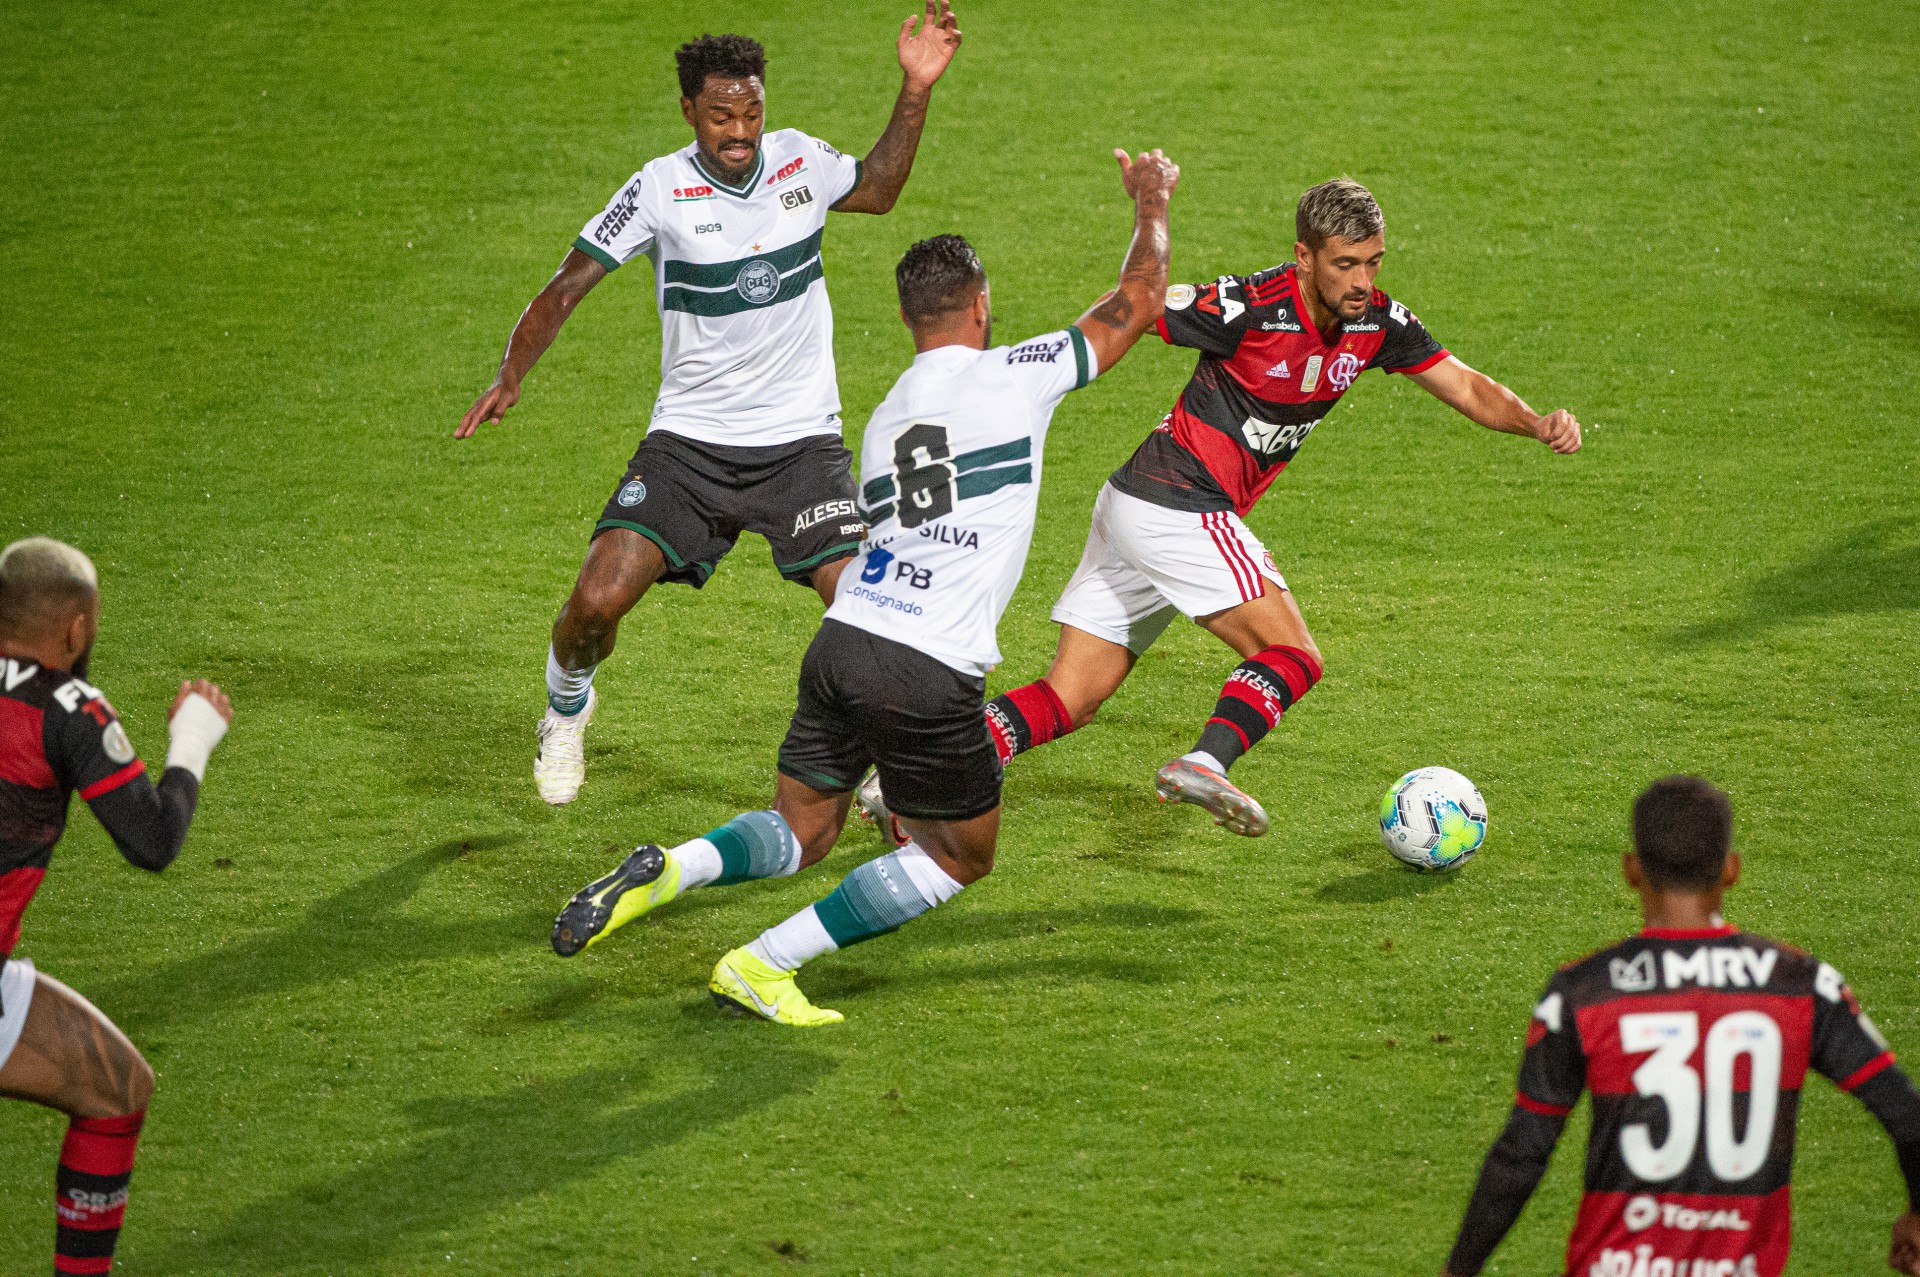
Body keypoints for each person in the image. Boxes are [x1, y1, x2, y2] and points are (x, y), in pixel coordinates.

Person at [549, 148, 1181, 1025]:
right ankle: (766, 961)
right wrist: (1150, 199)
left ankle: (677, 864)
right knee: (959, 855)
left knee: (803, 829)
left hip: (845, 640)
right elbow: (1137, 302)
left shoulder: (887, 417)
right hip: (927, 666)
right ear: (983, 307)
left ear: (905, 318)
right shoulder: (1017, 372)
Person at [862, 177, 1580, 839]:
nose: (1363, 281)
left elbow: (1464, 384)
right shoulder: (1249, 307)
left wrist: (1536, 422)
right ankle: (1207, 760)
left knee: (1069, 697)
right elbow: (1139, 313)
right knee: (1291, 653)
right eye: (1345, 264)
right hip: (1179, 503)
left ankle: (904, 778)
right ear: (1304, 256)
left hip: (1134, 508)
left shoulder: (1377, 324)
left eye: (1373, 261)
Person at [454, 8, 963, 806]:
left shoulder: (800, 161)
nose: (740, 132)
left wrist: (915, 86)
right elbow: (567, 284)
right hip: (689, 446)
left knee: (868, 603)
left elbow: (883, 187)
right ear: (690, 110)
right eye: (722, 115)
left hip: (801, 445)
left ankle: (871, 758)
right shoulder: (659, 187)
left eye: (751, 113)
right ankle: (565, 709)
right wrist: (511, 373)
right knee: (596, 600)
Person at [1442, 776, 1920, 1277]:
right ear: (1731, 870)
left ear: (1631, 870)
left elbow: (1523, 1150)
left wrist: (1459, 1269)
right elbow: (1908, 1115)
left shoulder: (1584, 993)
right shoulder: (1800, 986)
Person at [0, 537, 232, 1276]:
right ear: (74, 629)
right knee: (116, 1093)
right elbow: (153, 839)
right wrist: (193, 737)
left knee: (116, 1083)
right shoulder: (64, 706)